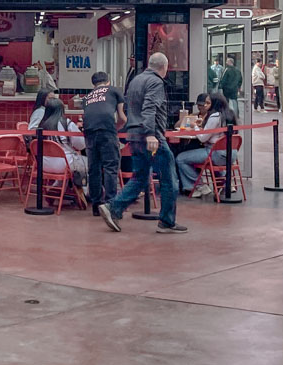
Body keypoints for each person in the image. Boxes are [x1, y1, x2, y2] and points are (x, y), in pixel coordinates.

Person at [99, 52, 186, 235]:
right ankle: (167, 222)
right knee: (169, 179)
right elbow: (149, 108)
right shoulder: (156, 82)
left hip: (133, 134)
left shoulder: (135, 81)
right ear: (164, 67)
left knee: (139, 177)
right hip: (150, 137)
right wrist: (151, 135)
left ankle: (113, 207)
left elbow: (132, 107)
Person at [82, 71, 126, 214]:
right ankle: (110, 205)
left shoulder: (87, 97)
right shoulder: (114, 91)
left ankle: (96, 206)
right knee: (110, 167)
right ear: (108, 81)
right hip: (107, 131)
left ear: (93, 84)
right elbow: (122, 118)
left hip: (89, 132)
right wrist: (116, 128)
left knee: (94, 169)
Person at [175, 92, 235, 197]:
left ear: (214, 103)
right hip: (231, 154)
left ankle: (196, 186)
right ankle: (225, 183)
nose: (205, 105)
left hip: (215, 153)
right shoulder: (229, 114)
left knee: (181, 158)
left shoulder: (214, 116)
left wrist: (195, 127)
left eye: (208, 103)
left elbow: (203, 138)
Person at [36, 99, 87, 186]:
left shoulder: (41, 125)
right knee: (90, 163)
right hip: (64, 164)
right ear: (61, 110)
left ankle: (57, 186)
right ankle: (86, 192)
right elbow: (81, 145)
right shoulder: (66, 123)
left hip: (43, 164)